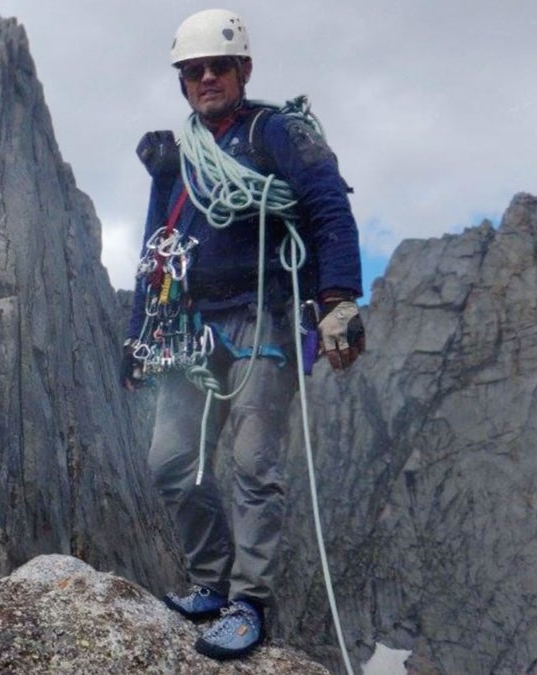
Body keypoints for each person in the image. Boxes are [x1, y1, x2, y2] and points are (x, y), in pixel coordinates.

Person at [120, 8, 365, 661]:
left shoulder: (276, 132)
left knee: (254, 463)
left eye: (216, 67)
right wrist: (140, 331)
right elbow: (159, 247)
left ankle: (248, 600)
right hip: (191, 325)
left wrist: (337, 300)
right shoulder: (177, 157)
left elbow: (326, 202)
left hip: (265, 313)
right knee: (171, 461)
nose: (205, 79)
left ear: (242, 69)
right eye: (192, 71)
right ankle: (210, 581)